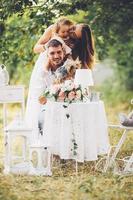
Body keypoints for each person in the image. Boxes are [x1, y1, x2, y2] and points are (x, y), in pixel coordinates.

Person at [25, 38, 70, 139]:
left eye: (59, 52)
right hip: (48, 109)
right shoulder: (43, 73)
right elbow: (40, 99)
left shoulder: (69, 67)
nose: (56, 56)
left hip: (67, 108)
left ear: (63, 51)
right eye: (52, 53)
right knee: (43, 119)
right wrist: (53, 93)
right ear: (47, 55)